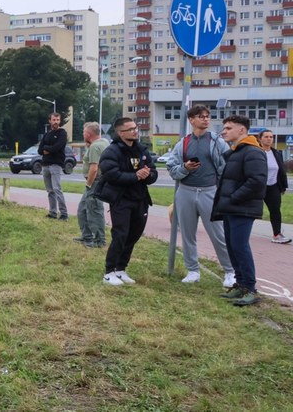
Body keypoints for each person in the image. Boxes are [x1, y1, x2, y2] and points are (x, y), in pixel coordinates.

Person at [162, 105, 236, 287]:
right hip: (186, 191)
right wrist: (185, 168)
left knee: (218, 234)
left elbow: (226, 167)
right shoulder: (184, 143)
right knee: (188, 234)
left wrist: (223, 189)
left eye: (207, 116)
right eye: (201, 116)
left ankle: (230, 271)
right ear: (191, 120)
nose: (205, 119)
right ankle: (193, 270)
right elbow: (172, 168)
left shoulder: (217, 141)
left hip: (209, 191)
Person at [212, 115, 266, 306]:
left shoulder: (252, 152)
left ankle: (251, 289)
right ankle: (240, 285)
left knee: (240, 247)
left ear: (242, 130)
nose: (224, 131)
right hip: (232, 208)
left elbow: (257, 181)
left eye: (228, 128)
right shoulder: (237, 151)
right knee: (234, 247)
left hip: (242, 208)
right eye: (224, 128)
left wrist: (234, 198)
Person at [99, 117, 157, 287]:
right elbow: (111, 174)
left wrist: (148, 175)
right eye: (130, 129)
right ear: (120, 133)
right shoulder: (112, 151)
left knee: (134, 235)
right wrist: (135, 176)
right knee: (120, 235)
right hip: (121, 200)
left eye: (135, 128)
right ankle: (109, 272)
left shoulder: (141, 150)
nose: (135, 131)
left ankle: (121, 269)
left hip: (140, 199)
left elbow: (152, 172)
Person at [74, 122, 109, 248]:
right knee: (82, 209)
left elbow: (94, 168)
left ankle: (100, 240)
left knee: (94, 210)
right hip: (97, 182)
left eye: (84, 132)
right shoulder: (104, 142)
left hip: (95, 183)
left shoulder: (95, 147)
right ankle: (87, 236)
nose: (83, 134)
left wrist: (89, 184)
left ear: (88, 134)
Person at [257, 129, 290, 244]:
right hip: (258, 187)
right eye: (266, 137)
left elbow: (281, 171)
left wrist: (283, 187)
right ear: (260, 139)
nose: (269, 139)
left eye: (271, 137)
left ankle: (277, 234)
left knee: (275, 211)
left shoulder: (276, 153)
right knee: (252, 210)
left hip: (273, 187)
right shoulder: (255, 152)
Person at [40, 112, 69, 221]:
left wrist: (47, 148)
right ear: (50, 121)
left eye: (57, 120)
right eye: (54, 120)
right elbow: (39, 150)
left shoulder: (62, 133)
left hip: (56, 164)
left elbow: (57, 147)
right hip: (45, 165)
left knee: (57, 189)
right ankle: (52, 212)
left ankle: (64, 213)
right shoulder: (47, 134)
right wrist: (47, 149)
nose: (56, 122)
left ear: (59, 121)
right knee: (50, 190)